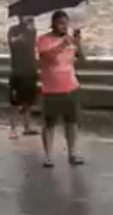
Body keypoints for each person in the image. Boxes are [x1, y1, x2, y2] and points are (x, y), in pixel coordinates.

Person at [36, 10, 84, 167]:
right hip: (51, 89)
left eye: (66, 23)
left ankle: (72, 153)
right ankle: (48, 156)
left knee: (72, 122)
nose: (64, 26)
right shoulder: (43, 39)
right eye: (61, 23)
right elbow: (45, 57)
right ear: (53, 24)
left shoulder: (70, 40)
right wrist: (63, 44)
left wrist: (78, 43)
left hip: (71, 86)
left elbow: (81, 59)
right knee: (49, 124)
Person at [7, 16, 39, 139]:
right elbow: (13, 43)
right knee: (14, 102)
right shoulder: (13, 30)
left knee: (28, 101)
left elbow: (31, 44)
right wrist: (21, 36)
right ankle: (12, 129)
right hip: (17, 71)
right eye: (27, 17)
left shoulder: (32, 31)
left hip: (30, 70)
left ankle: (27, 126)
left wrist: (29, 31)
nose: (30, 19)